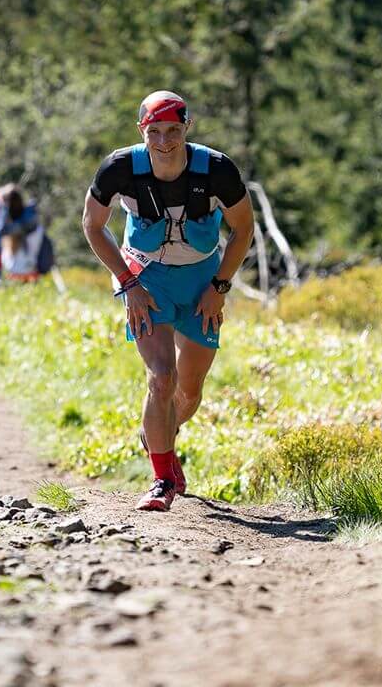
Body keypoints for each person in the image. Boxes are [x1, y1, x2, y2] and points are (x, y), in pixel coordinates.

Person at [82, 91, 255, 512]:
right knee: (161, 377)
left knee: (187, 393)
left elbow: (243, 229)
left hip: (202, 282)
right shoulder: (120, 168)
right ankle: (162, 479)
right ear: (141, 130)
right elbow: (92, 224)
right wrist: (128, 284)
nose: (164, 141)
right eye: (154, 131)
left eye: (173, 130)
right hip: (146, 280)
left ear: (186, 128)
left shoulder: (216, 169)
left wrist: (219, 288)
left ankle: (160, 436)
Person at [0, 183, 55, 281]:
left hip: (28, 278)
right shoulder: (31, 224)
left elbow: (1, 229)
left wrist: (3, 207)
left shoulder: (27, 226)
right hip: (19, 278)